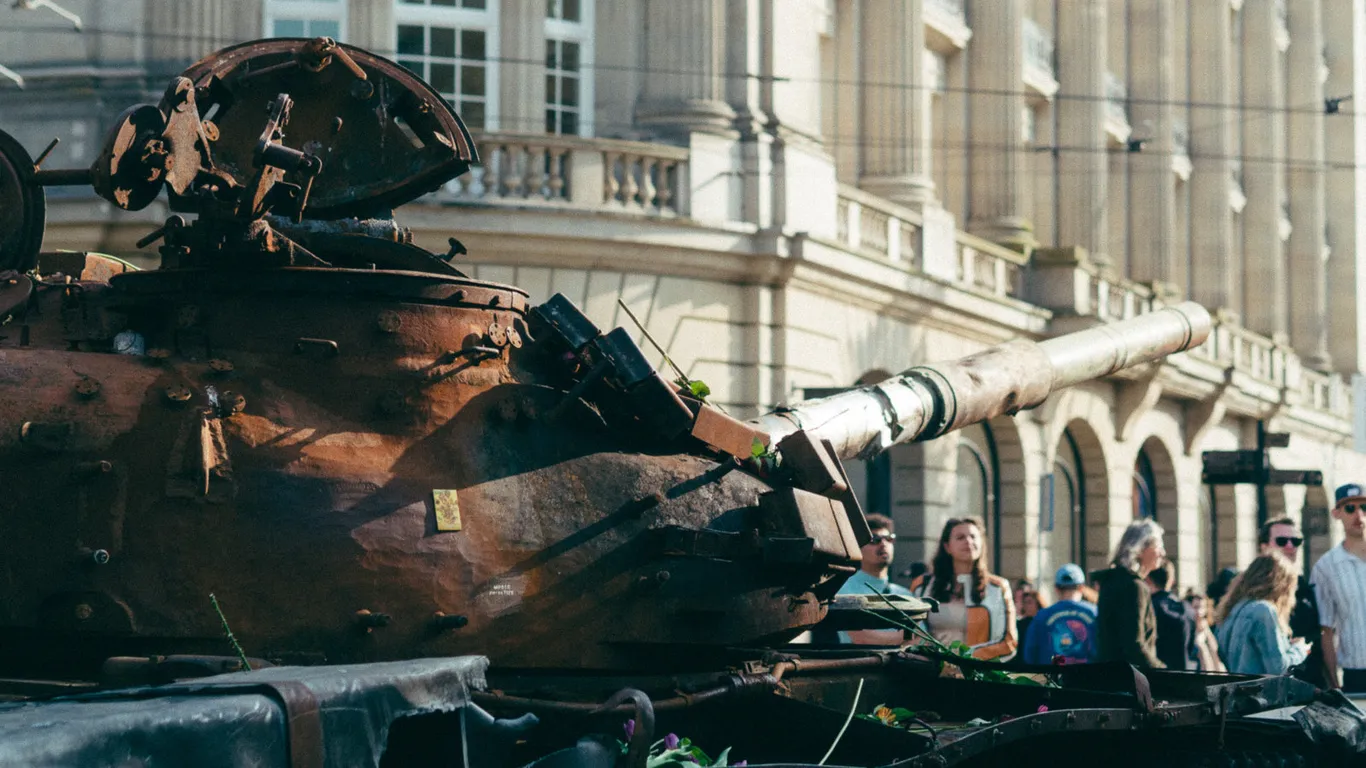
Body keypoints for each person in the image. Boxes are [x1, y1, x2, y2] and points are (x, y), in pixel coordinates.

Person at [910, 517, 1017, 661]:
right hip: (931, 673)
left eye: (973, 536)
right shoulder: (922, 585)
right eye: (960, 537)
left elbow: (1008, 643)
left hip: (979, 675)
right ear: (947, 547)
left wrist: (965, 659)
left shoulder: (998, 587)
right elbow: (912, 634)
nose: (968, 541)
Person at [1215, 553, 1309, 675]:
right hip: (1257, 692)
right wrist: (1300, 649)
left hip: (1234, 689)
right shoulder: (1263, 610)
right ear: (1281, 585)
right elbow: (1279, 668)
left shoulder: (1234, 607)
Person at [1258, 516, 1325, 687]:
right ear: (1264, 547)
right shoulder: (1253, 592)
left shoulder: (1307, 589)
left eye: (1296, 541)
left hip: (1311, 688)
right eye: (1281, 541)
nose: (1290, 546)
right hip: (1270, 693)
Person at [1312, 483, 1366, 692]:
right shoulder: (1326, 567)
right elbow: (1326, 631)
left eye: (1364, 508)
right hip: (1356, 676)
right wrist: (1335, 685)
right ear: (1336, 514)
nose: (1359, 515)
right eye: (1350, 509)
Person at [1093, 518, 1166, 668]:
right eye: (1158, 546)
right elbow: (1134, 645)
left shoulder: (1113, 581)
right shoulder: (1134, 586)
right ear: (1139, 549)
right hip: (1129, 682)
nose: (1162, 553)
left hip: (1111, 679)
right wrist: (1162, 670)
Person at [837, 514, 911, 645]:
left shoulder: (905, 594)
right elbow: (861, 638)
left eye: (889, 539)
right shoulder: (843, 588)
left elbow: (922, 639)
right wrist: (905, 637)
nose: (883, 544)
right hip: (859, 663)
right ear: (857, 547)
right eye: (875, 540)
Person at [1022, 564, 1097, 664]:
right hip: (1089, 678)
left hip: (1051, 678)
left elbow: (1029, 655)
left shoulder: (1041, 617)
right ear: (1081, 588)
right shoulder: (1095, 613)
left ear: (1056, 589)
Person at [1148, 565, 1198, 670]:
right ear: (1171, 580)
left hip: (1159, 675)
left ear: (1148, 579)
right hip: (1186, 673)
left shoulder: (1151, 607)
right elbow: (1191, 646)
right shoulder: (1187, 609)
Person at [1184, 591, 1226, 672]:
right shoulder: (1188, 627)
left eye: (1202, 607)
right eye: (1195, 607)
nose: (1199, 611)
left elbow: (1215, 651)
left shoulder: (1207, 626)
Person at [1015, 581, 1048, 649]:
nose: (1026, 605)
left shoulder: (1044, 623)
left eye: (1030, 602)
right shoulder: (1019, 624)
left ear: (1037, 604)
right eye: (1025, 602)